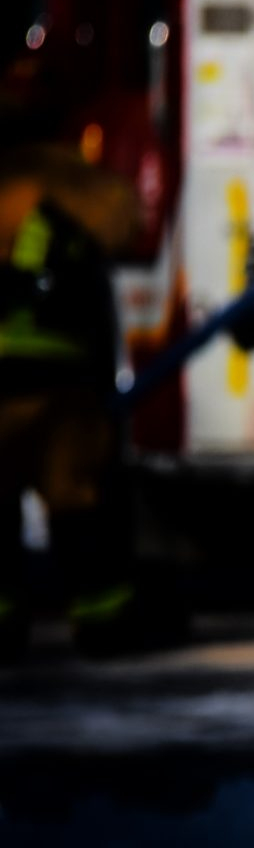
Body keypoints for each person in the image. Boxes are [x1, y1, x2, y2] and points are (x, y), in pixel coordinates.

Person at [0, 123, 145, 658]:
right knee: (79, 504)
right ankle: (104, 621)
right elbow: (125, 221)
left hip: (17, 390)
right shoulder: (66, 181)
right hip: (64, 386)